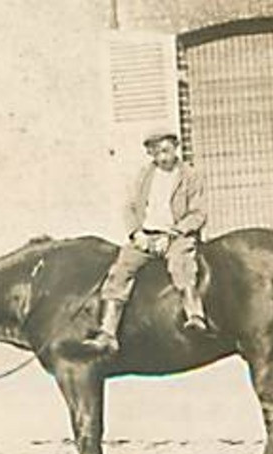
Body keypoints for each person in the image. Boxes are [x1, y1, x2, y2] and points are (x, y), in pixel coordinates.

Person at [82, 130, 210, 354]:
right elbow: (130, 207)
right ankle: (108, 331)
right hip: (146, 235)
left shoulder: (189, 176)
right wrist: (136, 233)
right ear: (150, 153)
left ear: (175, 148)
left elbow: (198, 214)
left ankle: (194, 314)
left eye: (166, 151)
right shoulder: (143, 175)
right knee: (121, 270)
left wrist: (173, 234)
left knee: (181, 265)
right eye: (156, 152)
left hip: (176, 234)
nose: (162, 158)